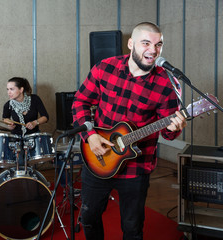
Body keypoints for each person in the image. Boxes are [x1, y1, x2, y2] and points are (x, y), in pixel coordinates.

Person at [72, 22, 187, 239]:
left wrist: (175, 126)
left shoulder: (167, 84)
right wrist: (90, 135)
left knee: (132, 228)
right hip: (97, 157)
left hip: (137, 166)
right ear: (131, 43)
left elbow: (168, 133)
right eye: (146, 43)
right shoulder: (105, 67)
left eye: (158, 44)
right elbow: (80, 101)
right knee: (88, 218)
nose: (153, 50)